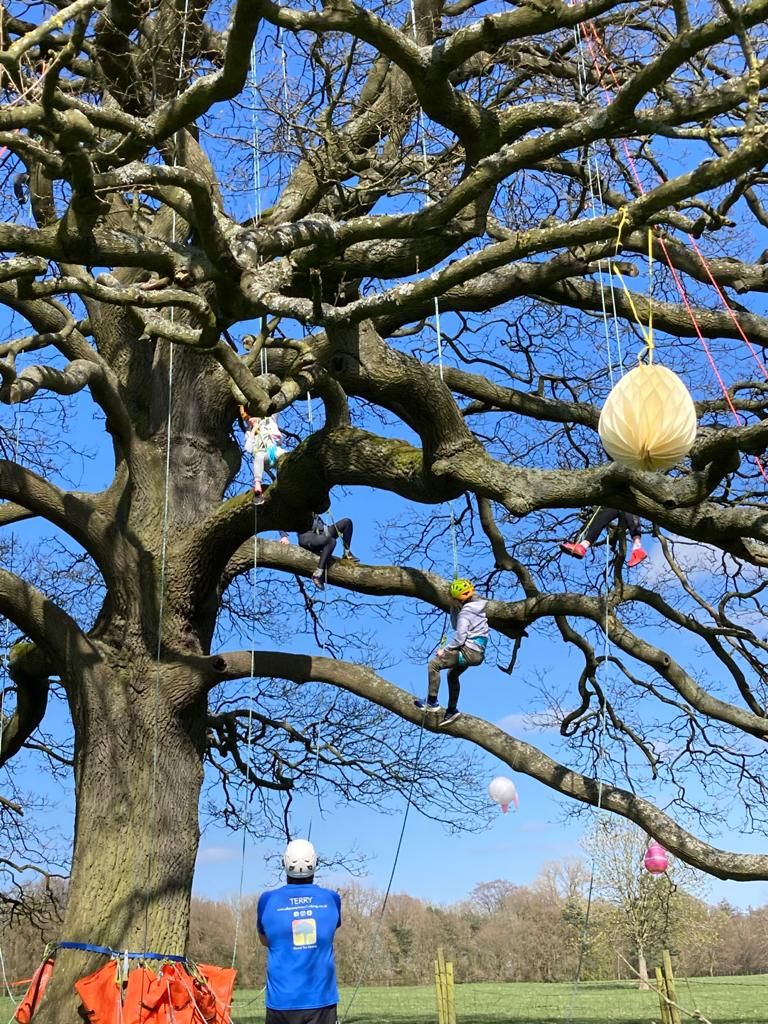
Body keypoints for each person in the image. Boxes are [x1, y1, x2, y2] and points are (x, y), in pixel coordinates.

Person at [257, 839, 342, 1024]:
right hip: (321, 1001)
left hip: (281, 1002)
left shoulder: (267, 900)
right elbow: (329, 933)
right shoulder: (331, 899)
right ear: (315, 863)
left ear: (284, 863)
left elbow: (265, 939)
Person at [414, 578, 489, 726]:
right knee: (452, 675)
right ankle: (452, 711)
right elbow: (457, 625)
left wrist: (445, 650)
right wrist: (454, 608)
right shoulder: (478, 606)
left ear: (457, 599)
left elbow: (460, 637)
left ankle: (432, 701)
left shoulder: (466, 613)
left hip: (467, 651)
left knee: (434, 665)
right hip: (477, 654)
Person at [280, 515, 359, 589]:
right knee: (331, 541)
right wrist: (284, 536)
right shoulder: (299, 507)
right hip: (307, 537)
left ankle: (346, 553)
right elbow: (282, 517)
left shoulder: (315, 506)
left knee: (346, 522)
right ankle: (318, 574)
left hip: (322, 533)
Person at [560, 507, 647, 567]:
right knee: (600, 518)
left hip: (630, 497)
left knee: (630, 511)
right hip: (616, 498)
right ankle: (583, 546)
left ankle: (637, 548)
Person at [240, 407, 286, 501]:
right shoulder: (249, 432)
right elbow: (248, 449)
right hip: (262, 458)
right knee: (258, 455)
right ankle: (257, 484)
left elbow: (274, 408)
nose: (252, 419)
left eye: (254, 416)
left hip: (273, 450)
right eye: (249, 418)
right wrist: (253, 430)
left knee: (285, 456)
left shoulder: (269, 420)